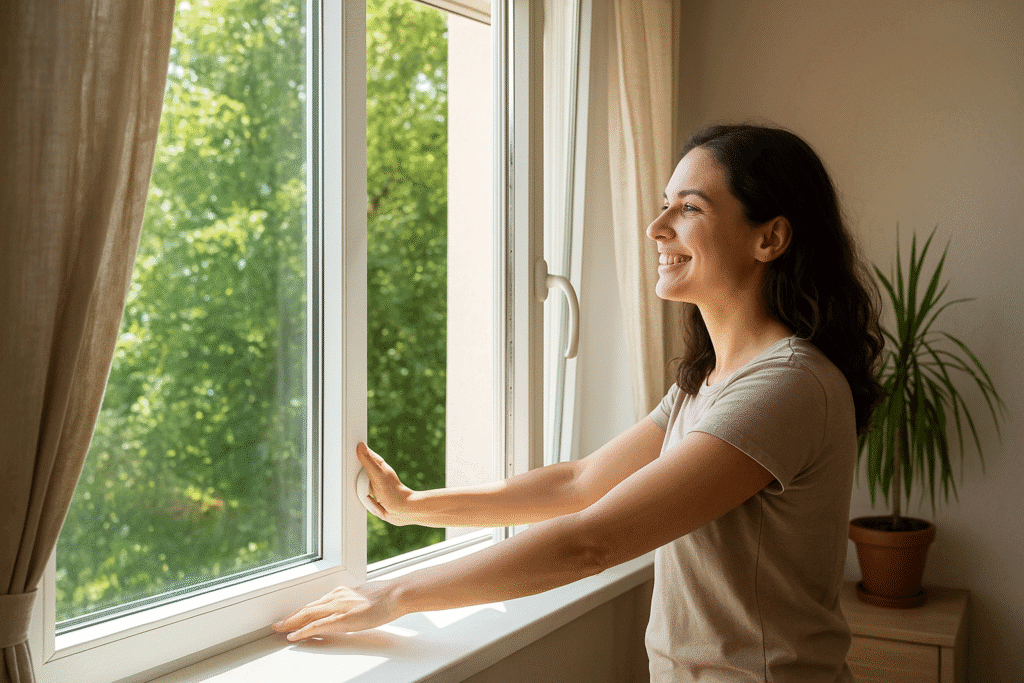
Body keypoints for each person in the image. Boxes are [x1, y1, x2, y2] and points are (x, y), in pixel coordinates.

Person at [272, 123, 884, 682]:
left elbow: (590, 540)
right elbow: (579, 483)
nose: (657, 227)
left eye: (689, 207)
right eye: (663, 203)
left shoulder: (787, 385)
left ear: (770, 237)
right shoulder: (711, 381)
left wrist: (394, 596)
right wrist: (414, 508)